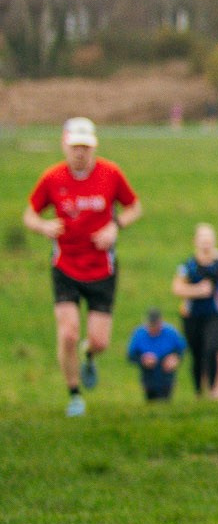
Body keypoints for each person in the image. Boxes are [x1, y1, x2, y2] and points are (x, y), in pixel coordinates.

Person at [24, 117, 143, 416]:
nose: (81, 153)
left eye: (86, 147)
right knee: (68, 333)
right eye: (76, 146)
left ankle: (89, 357)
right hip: (65, 265)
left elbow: (135, 207)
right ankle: (75, 394)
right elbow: (30, 215)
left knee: (99, 342)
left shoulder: (110, 173)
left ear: (93, 148)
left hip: (102, 268)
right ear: (65, 145)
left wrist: (116, 227)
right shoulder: (52, 178)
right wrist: (43, 226)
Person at [172, 223, 218, 399]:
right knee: (197, 353)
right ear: (196, 241)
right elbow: (177, 288)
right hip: (192, 316)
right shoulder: (189, 266)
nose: (206, 243)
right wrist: (198, 290)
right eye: (203, 239)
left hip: (215, 315)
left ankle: (213, 390)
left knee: (212, 348)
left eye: (209, 239)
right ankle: (199, 391)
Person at [126, 307, 186, 403]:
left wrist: (175, 358)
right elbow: (131, 356)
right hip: (148, 373)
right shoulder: (139, 333)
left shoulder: (171, 333)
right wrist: (142, 359)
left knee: (165, 398)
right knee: (151, 398)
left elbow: (181, 350)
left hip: (166, 371)